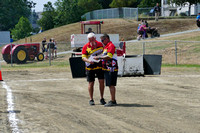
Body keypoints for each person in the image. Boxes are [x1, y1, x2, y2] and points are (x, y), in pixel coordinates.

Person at [82, 33, 106, 106]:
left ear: (95, 38)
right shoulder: (86, 46)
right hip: (90, 67)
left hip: (99, 66)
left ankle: (102, 98)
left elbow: (105, 53)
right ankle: (91, 99)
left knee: (101, 81)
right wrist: (88, 61)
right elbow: (83, 57)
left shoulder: (100, 44)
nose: (91, 41)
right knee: (91, 83)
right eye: (90, 40)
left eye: (92, 39)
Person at [94, 34, 118, 107]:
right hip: (107, 68)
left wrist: (99, 58)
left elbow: (109, 56)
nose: (102, 42)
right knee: (109, 84)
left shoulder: (111, 46)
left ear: (107, 38)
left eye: (103, 40)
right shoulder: (106, 47)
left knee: (111, 84)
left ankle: (113, 100)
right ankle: (112, 100)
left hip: (111, 68)